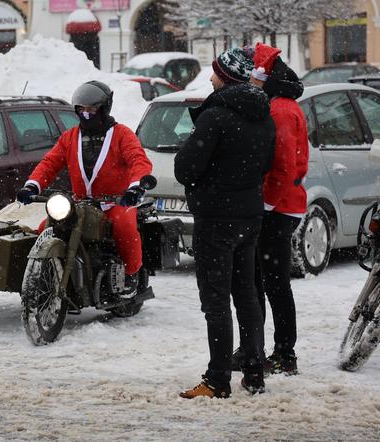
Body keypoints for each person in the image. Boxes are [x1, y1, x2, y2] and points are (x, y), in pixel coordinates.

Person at [175, 48, 276, 398]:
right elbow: (265, 163)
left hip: (216, 218)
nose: (210, 78)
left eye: (215, 72)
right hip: (249, 215)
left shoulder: (215, 115)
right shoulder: (264, 114)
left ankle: (217, 379)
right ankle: (254, 372)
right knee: (246, 295)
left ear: (226, 77)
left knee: (216, 302)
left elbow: (185, 168)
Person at [16, 80, 152, 298]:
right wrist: (32, 185)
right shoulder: (70, 137)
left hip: (115, 202)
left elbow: (139, 161)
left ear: (104, 108)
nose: (86, 114)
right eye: (82, 109)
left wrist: (135, 188)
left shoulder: (122, 135)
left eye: (91, 109)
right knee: (45, 228)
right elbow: (49, 163)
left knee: (124, 226)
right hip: (79, 204)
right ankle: (44, 275)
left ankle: (131, 274)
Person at [243, 43, 308, 375]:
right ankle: (259, 349)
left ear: (263, 77)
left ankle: (284, 353)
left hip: (279, 207)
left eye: (253, 79)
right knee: (264, 280)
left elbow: (284, 166)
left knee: (273, 282)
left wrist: (265, 205)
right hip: (281, 205)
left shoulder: (279, 109)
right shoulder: (281, 104)